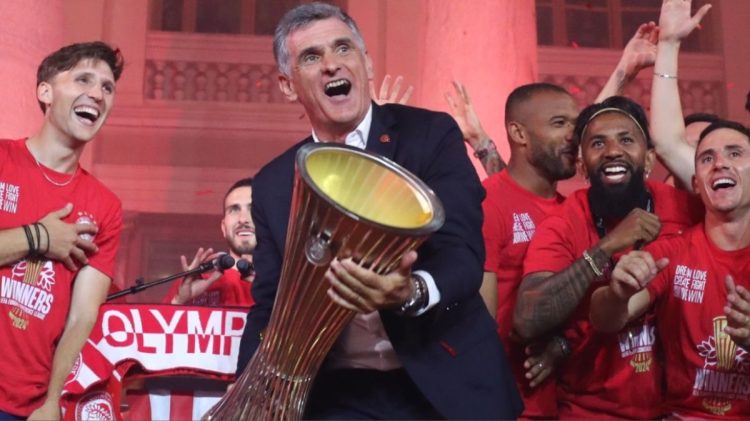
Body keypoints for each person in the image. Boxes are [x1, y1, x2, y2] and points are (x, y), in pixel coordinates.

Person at [236, 2, 522, 419]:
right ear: (287, 85)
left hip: (444, 381)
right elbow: (271, 305)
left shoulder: (429, 135)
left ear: (367, 63)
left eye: (343, 48)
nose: (331, 65)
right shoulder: (274, 184)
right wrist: (247, 391)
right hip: (338, 395)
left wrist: (410, 292)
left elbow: (461, 252)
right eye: (311, 57)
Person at [513, 94, 704, 418]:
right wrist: (606, 247)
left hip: (677, 410)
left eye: (626, 140)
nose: (613, 151)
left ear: (648, 158)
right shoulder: (564, 222)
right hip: (590, 411)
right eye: (597, 143)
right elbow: (527, 318)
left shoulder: (687, 209)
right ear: (581, 165)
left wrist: (567, 341)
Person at [589, 118, 750, 418]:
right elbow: (605, 319)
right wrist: (616, 293)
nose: (720, 164)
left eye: (735, 153)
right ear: (696, 184)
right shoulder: (671, 252)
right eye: (707, 158)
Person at [0, 42, 124, 420]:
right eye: (83, 79)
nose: (97, 94)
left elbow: (82, 316)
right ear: (45, 92)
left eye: (107, 87)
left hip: (26, 404)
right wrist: (39, 238)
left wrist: (51, 399)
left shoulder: (106, 206)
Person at [445, 20, 660, 179]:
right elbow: (511, 199)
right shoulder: (493, 202)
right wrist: (479, 140)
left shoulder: (573, 208)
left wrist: (625, 71)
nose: (572, 135)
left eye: (574, 125)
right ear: (519, 133)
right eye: (559, 123)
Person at [164, 177, 256, 307]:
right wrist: (179, 301)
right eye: (234, 210)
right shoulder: (191, 282)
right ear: (224, 228)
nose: (243, 219)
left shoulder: (283, 284)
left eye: (253, 209)